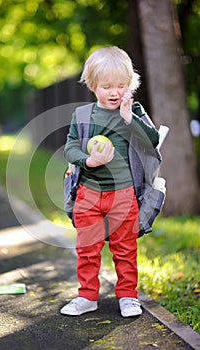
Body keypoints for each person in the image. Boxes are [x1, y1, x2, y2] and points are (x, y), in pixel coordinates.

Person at [61, 46, 159, 317]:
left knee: (125, 249)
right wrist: (87, 161)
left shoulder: (133, 113)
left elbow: (151, 142)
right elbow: (70, 147)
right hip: (89, 193)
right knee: (87, 249)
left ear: (130, 85)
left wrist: (129, 119)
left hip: (124, 194)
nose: (115, 92)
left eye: (121, 85)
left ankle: (128, 296)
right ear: (93, 86)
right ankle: (87, 296)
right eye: (107, 86)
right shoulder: (82, 116)